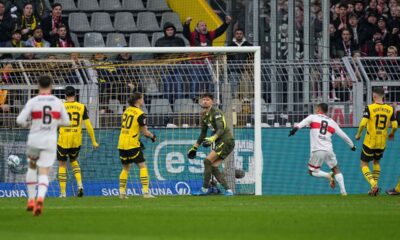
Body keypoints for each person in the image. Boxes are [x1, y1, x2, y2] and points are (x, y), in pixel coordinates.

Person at [16, 75, 70, 216]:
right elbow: (67, 122)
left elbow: (19, 120)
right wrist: (54, 123)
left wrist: (29, 124)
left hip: (34, 139)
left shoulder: (33, 101)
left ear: (37, 85)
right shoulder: (57, 102)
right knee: (44, 171)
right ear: (51, 86)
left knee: (32, 167)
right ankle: (41, 198)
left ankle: (31, 199)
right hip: (50, 140)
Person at [288, 103, 356, 196]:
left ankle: (327, 175)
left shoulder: (312, 117)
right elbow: (343, 135)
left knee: (311, 172)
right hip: (329, 149)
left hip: (317, 149)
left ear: (319, 109)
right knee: (336, 168)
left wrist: (294, 130)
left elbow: (301, 124)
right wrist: (352, 146)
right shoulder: (332, 122)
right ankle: (343, 191)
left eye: (317, 108)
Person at [188, 93, 234, 196]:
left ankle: (204, 189)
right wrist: (194, 147)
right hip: (220, 142)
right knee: (212, 166)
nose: (205, 101)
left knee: (207, 160)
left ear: (212, 102)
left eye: (207, 99)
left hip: (226, 140)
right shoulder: (204, 116)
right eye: (203, 99)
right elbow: (203, 134)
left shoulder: (216, 113)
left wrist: (213, 138)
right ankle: (228, 190)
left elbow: (221, 129)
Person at [57, 86, 99, 198]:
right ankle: (80, 185)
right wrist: (94, 141)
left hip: (64, 139)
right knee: (74, 160)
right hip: (76, 139)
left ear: (65, 95)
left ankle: (63, 193)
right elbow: (89, 125)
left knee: (62, 164)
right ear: (75, 95)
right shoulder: (81, 107)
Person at [355, 87, 397, 196]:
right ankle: (374, 188)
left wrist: (358, 134)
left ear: (374, 96)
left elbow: (363, 123)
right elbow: (395, 125)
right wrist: (392, 133)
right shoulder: (390, 109)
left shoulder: (370, 108)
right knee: (376, 162)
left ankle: (373, 184)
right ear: (383, 96)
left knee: (363, 164)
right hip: (382, 141)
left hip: (370, 141)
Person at [118, 93, 157, 199]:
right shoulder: (140, 113)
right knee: (142, 166)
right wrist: (153, 136)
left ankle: (122, 193)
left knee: (126, 168)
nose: (143, 100)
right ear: (138, 100)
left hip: (122, 142)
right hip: (132, 144)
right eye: (142, 98)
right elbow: (145, 132)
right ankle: (145, 192)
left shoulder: (126, 110)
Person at [155, 22, 186, 104]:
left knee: (178, 86)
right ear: (165, 31)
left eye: (171, 29)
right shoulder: (159, 42)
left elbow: (183, 54)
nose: (170, 31)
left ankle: (179, 106)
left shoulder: (179, 41)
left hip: (177, 67)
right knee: (167, 87)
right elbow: (156, 55)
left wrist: (180, 61)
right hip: (165, 68)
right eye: (168, 30)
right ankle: (167, 106)